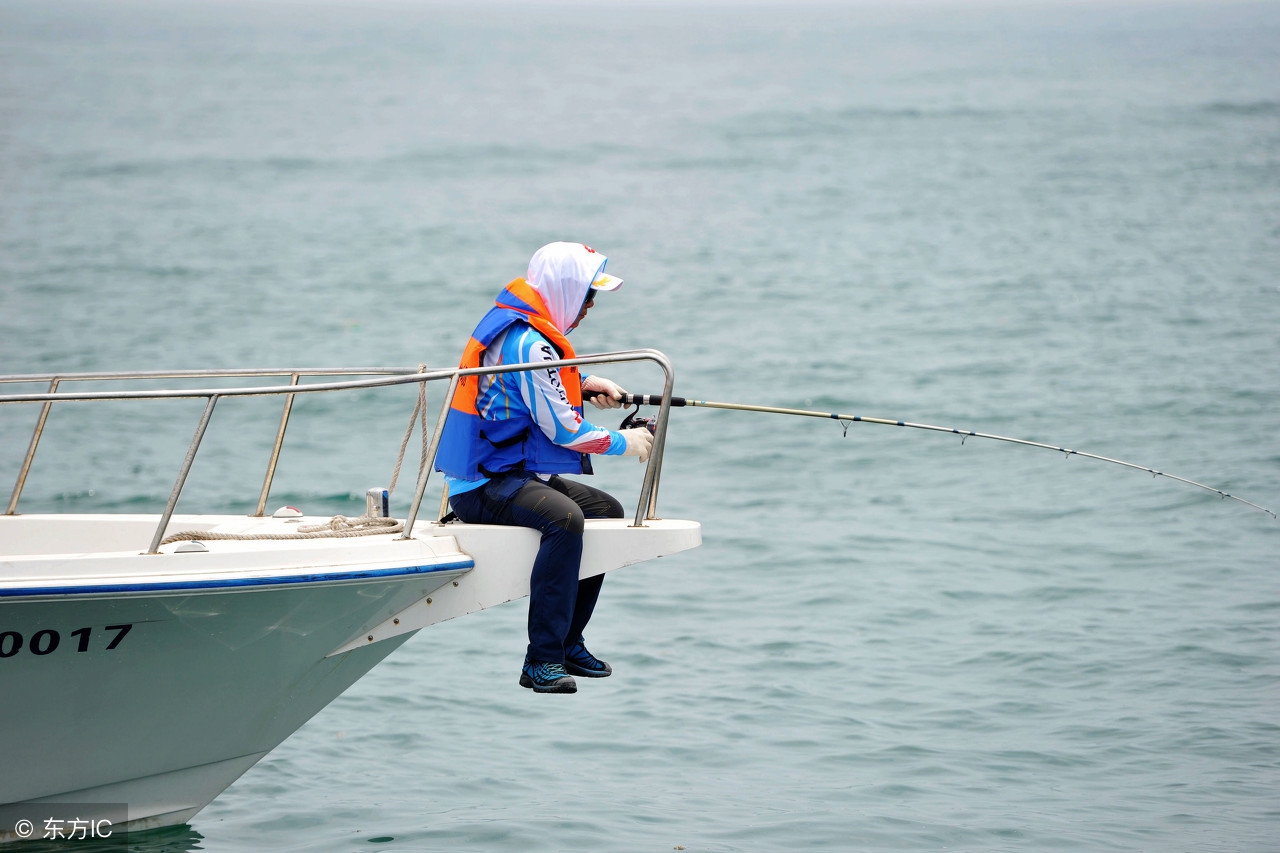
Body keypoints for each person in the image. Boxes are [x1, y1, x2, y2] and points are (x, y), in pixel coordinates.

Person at [435, 242, 654, 694]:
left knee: (606, 511)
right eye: (588, 294)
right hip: (483, 483)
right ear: (565, 290)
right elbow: (564, 431)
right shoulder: (532, 342)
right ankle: (541, 660)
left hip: (511, 471)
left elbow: (531, 387)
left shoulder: (522, 333)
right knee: (565, 519)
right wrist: (625, 442)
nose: (591, 306)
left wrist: (586, 383)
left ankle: (570, 642)